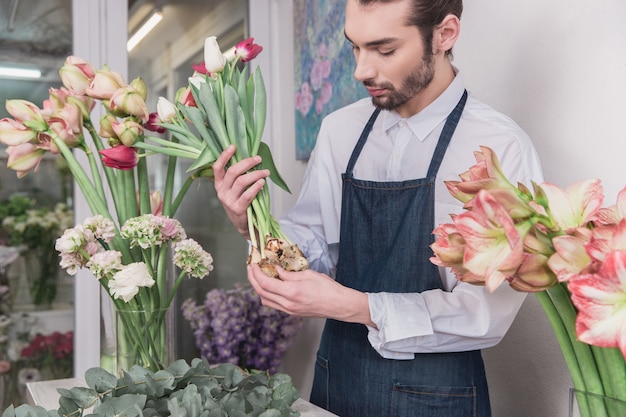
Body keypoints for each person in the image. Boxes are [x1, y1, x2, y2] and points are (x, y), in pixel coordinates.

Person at [212, 0, 544, 416]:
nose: (361, 71)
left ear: (444, 35)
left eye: (384, 50)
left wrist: (353, 306)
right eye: (355, 47)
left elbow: (484, 314)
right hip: (337, 384)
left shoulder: (500, 147)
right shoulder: (340, 130)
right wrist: (253, 228)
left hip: (440, 399)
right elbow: (308, 250)